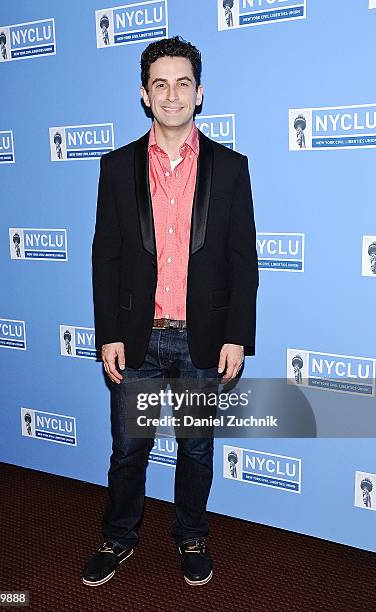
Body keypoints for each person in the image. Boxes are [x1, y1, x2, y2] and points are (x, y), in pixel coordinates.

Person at [82, 35, 258, 587]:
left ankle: (191, 535)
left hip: (202, 339)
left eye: (183, 82)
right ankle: (118, 538)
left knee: (197, 450)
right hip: (137, 338)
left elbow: (242, 259)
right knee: (129, 451)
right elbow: (105, 255)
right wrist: (108, 332)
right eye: (161, 83)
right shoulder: (116, 167)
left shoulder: (231, 168)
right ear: (144, 94)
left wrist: (237, 336)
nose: (172, 93)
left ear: (200, 93)